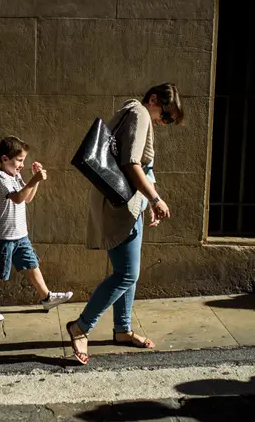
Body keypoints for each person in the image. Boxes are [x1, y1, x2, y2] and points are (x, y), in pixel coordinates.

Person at [66, 83, 184, 365]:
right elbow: (132, 164)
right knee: (126, 274)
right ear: (154, 99)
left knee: (128, 272)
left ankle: (122, 329)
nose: (164, 122)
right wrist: (155, 199)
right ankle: (80, 327)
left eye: (169, 120)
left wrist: (148, 201)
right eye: (166, 115)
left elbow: (143, 166)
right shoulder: (140, 113)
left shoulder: (137, 114)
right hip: (122, 207)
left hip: (131, 205)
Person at [0, 136, 74, 322]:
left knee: (31, 264)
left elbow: (27, 198)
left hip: (21, 234)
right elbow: (18, 198)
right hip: (5, 236)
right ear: (5, 159)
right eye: (19, 160)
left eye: (23, 160)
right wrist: (33, 179)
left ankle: (46, 297)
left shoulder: (16, 176)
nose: (22, 164)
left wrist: (35, 180)